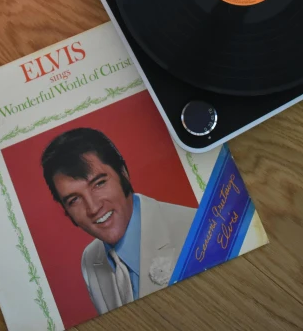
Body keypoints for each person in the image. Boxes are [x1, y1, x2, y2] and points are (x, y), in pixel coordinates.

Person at [41, 127, 196, 314]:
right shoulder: (89, 260)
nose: (93, 208)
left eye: (99, 183)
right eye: (74, 200)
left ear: (123, 173)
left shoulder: (195, 229)